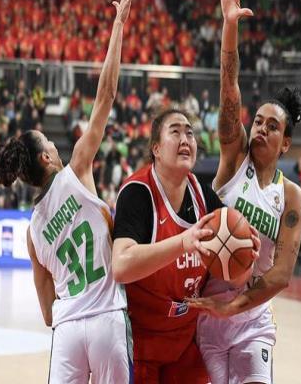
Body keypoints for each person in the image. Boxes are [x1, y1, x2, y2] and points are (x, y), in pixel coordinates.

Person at [0, 0, 135, 384]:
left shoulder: (33, 231)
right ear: (47, 157)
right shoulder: (78, 169)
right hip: (107, 317)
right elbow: (106, 95)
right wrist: (118, 25)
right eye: (51, 143)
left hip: (68, 327)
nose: (57, 145)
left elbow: (46, 312)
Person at [186, 0, 301, 384]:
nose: (260, 128)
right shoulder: (234, 158)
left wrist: (234, 307)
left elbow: (281, 275)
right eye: (257, 121)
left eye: (272, 126)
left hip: (253, 318)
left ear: (285, 143)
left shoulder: (290, 197)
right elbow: (229, 87)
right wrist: (229, 25)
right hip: (207, 311)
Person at [111, 107, 259, 383]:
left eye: (190, 133)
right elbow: (120, 266)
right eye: (175, 131)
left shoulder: (203, 196)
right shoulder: (138, 192)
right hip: (140, 342)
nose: (185, 139)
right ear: (156, 148)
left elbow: (236, 277)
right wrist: (183, 242)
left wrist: (246, 258)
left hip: (185, 341)